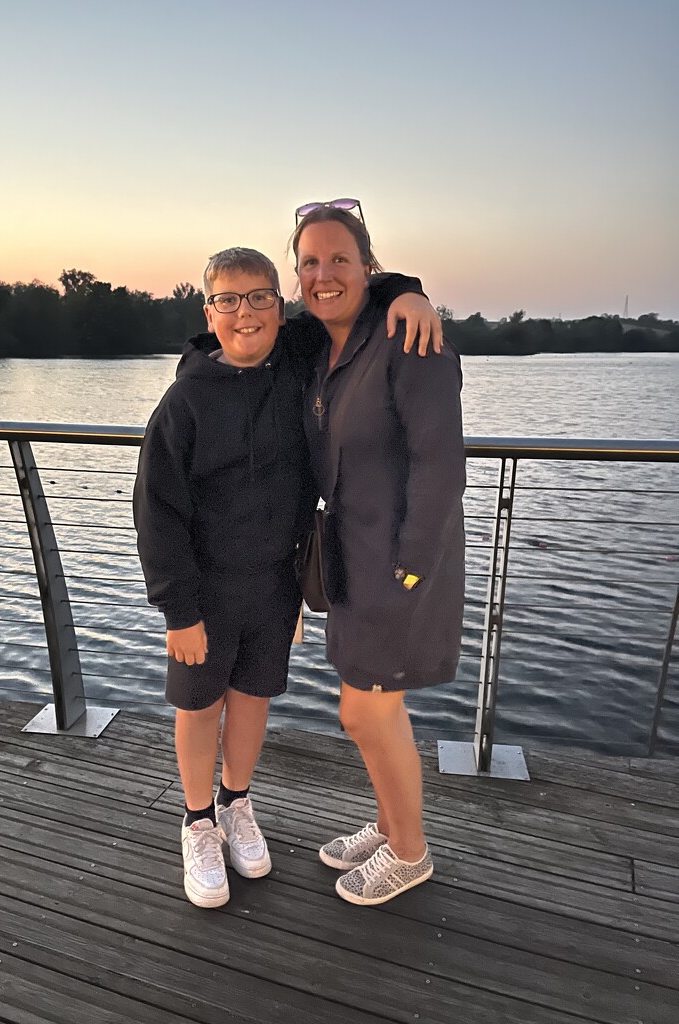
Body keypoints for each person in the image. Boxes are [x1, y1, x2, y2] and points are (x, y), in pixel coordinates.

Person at [133, 244, 441, 908]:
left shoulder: (298, 356)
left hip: (274, 584)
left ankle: (237, 804)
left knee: (252, 698)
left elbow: (356, 293)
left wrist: (409, 291)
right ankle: (196, 821)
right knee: (198, 705)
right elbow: (157, 516)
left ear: (281, 305)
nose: (246, 314)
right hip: (204, 591)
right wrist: (177, 610)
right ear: (207, 310)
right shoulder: (183, 405)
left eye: (260, 298)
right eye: (228, 300)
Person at [291, 199, 466, 906]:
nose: (324, 273)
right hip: (348, 558)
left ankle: (410, 852)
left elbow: (440, 467)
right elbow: (228, 331)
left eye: (340, 258)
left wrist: (413, 567)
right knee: (364, 710)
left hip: (400, 559)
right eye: (309, 261)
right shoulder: (316, 346)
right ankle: (394, 823)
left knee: (368, 712)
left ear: (368, 265)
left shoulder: (408, 340)